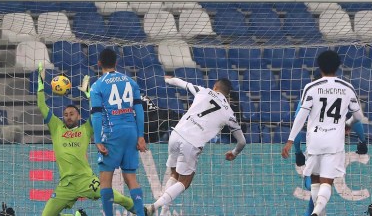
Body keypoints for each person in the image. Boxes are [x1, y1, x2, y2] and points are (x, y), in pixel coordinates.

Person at [37, 63, 136, 216]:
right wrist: (41, 84)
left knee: (115, 197)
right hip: (66, 185)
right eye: (66, 114)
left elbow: (98, 111)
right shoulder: (56, 127)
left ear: (79, 116)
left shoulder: (86, 128)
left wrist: (89, 94)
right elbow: (42, 106)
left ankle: (140, 211)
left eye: (72, 114)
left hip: (86, 180)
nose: (68, 116)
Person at [145, 77, 247, 216]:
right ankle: (154, 207)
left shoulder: (203, 91)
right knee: (185, 182)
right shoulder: (229, 113)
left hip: (176, 134)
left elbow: (179, 82)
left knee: (174, 174)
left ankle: (164, 212)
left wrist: (166, 79)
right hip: (192, 142)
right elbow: (242, 142)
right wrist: (234, 153)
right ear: (227, 94)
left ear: (215, 86)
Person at [282, 50, 364, 216]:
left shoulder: (311, 88)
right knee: (327, 182)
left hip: (315, 140)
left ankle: (317, 212)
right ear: (338, 66)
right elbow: (359, 117)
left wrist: (291, 141)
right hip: (334, 141)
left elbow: (300, 117)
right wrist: (348, 125)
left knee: (314, 181)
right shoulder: (347, 88)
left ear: (319, 67)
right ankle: (317, 212)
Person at [90, 49, 147, 216]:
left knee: (105, 179)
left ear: (99, 63)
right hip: (131, 132)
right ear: (116, 62)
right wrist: (141, 136)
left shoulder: (97, 86)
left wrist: (98, 139)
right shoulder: (131, 82)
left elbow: (97, 114)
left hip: (112, 133)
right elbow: (139, 110)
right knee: (131, 178)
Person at [292, 101, 368, 216]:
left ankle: (316, 212)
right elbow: (356, 118)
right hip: (334, 148)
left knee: (313, 184)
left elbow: (297, 125)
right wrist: (362, 141)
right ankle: (317, 212)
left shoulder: (309, 94)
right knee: (323, 186)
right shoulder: (343, 91)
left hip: (315, 145)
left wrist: (298, 152)